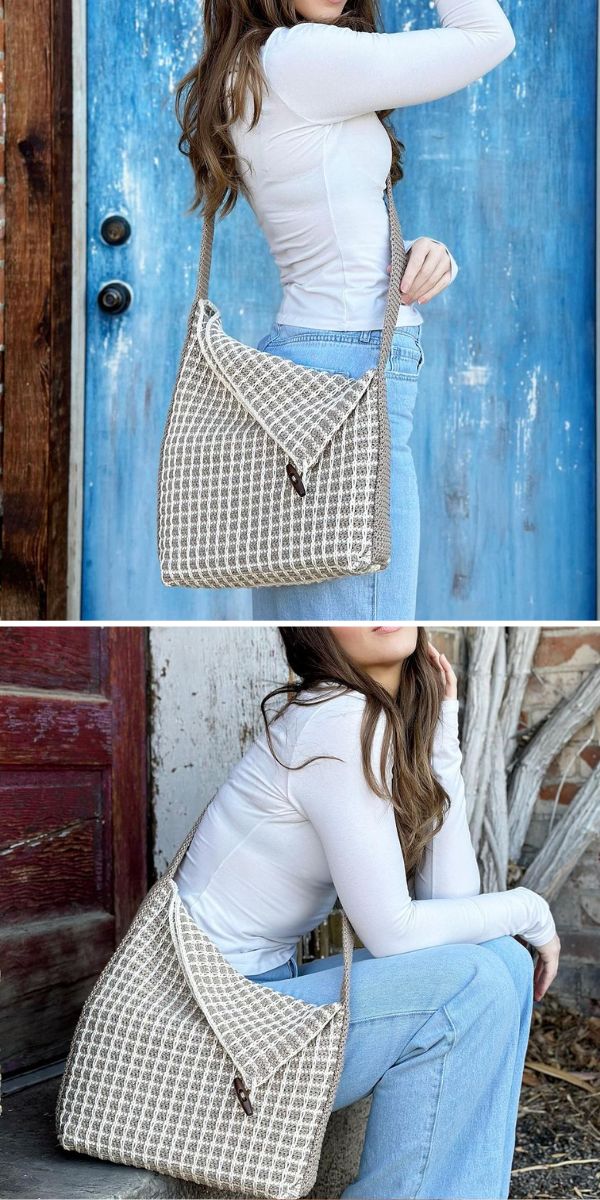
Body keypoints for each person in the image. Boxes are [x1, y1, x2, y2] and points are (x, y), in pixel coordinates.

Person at [174, 625, 560, 1200]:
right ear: (313, 625)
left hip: (253, 1008)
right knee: (475, 983)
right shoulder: (336, 717)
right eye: (351, 600)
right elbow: (395, 936)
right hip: (209, 1039)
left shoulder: (364, 718)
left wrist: (441, 743)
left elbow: (450, 911)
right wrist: (530, 909)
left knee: (498, 960)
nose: (380, 610)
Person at [174, 0, 516, 619]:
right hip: (350, 369)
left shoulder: (250, 66)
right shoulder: (301, 54)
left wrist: (413, 250)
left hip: (316, 353)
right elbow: (488, 35)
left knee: (316, 627)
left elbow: (321, 218)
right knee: (368, 617)